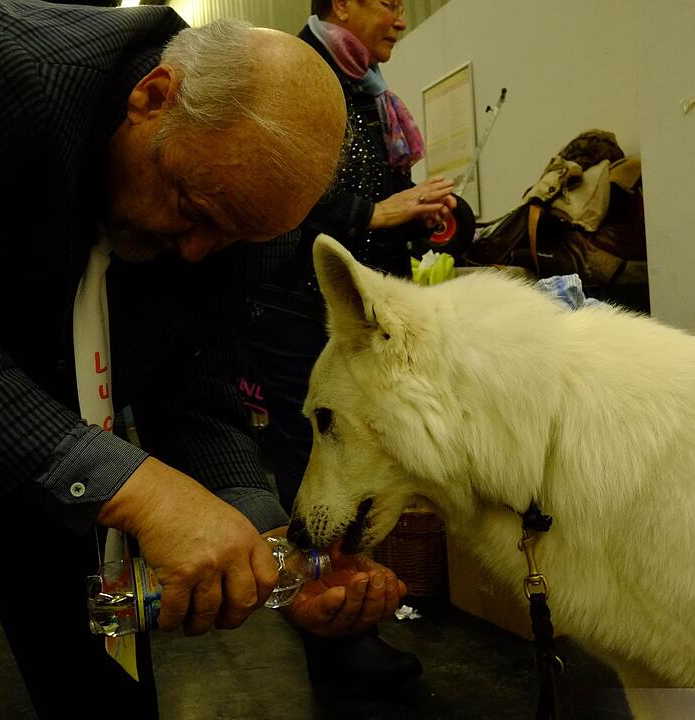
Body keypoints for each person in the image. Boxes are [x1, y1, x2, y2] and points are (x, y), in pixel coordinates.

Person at [0, 1, 407, 717]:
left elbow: (195, 383)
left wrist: (263, 550)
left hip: (24, 359)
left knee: (101, 652)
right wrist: (144, 490)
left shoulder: (235, 209)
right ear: (153, 98)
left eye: (231, 239)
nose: (198, 252)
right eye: (193, 210)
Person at [241, 0, 456, 687]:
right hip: (293, 310)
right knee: (316, 464)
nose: (400, 16)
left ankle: (349, 615)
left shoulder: (367, 92)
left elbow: (383, 199)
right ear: (340, 3)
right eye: (389, 1)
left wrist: (433, 216)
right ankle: (335, 632)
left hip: (349, 318)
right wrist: (374, 213)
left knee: (355, 466)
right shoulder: (299, 75)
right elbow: (279, 193)